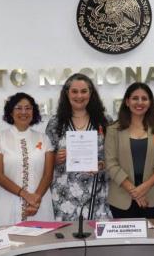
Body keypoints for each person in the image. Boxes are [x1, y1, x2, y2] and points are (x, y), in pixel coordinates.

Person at [45, 73, 112, 221]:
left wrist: (101, 164)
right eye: (74, 91)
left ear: (91, 93)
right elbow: (46, 159)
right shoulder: (56, 123)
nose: (79, 96)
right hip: (64, 194)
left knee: (97, 238)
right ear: (67, 93)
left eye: (84, 91)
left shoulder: (104, 121)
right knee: (67, 239)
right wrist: (56, 159)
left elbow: (113, 157)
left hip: (97, 192)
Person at [105, 82, 154, 218]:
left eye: (144, 98)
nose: (139, 102)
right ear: (127, 102)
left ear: (150, 102)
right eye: (135, 98)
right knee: (126, 240)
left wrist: (143, 187)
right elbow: (111, 164)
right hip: (122, 200)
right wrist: (134, 191)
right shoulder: (113, 130)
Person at [0, 92, 54, 225]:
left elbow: (48, 175)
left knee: (42, 243)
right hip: (9, 205)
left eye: (28, 108)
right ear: (11, 112)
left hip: (39, 204)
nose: (23, 112)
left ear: (33, 112)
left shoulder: (44, 139)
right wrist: (26, 195)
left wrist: (35, 199)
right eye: (18, 108)